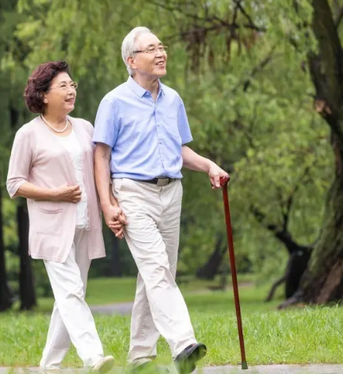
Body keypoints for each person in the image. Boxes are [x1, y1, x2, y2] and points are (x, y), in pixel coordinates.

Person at [92, 27, 229, 374]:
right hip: (133, 192)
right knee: (157, 270)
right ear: (131, 60)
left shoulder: (173, 100)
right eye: (151, 49)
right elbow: (101, 157)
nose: (160, 53)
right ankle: (183, 344)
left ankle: (139, 358)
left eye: (162, 47)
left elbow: (180, 150)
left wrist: (209, 165)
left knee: (155, 276)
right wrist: (108, 204)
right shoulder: (114, 102)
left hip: (172, 192)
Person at [6, 61, 115, 374]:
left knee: (70, 295)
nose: (71, 91)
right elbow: (14, 184)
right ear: (43, 95)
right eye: (63, 86)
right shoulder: (28, 134)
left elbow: (100, 171)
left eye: (72, 85)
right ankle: (94, 357)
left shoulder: (84, 128)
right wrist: (55, 194)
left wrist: (110, 203)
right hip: (51, 226)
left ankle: (49, 364)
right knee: (70, 292)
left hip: (85, 223)